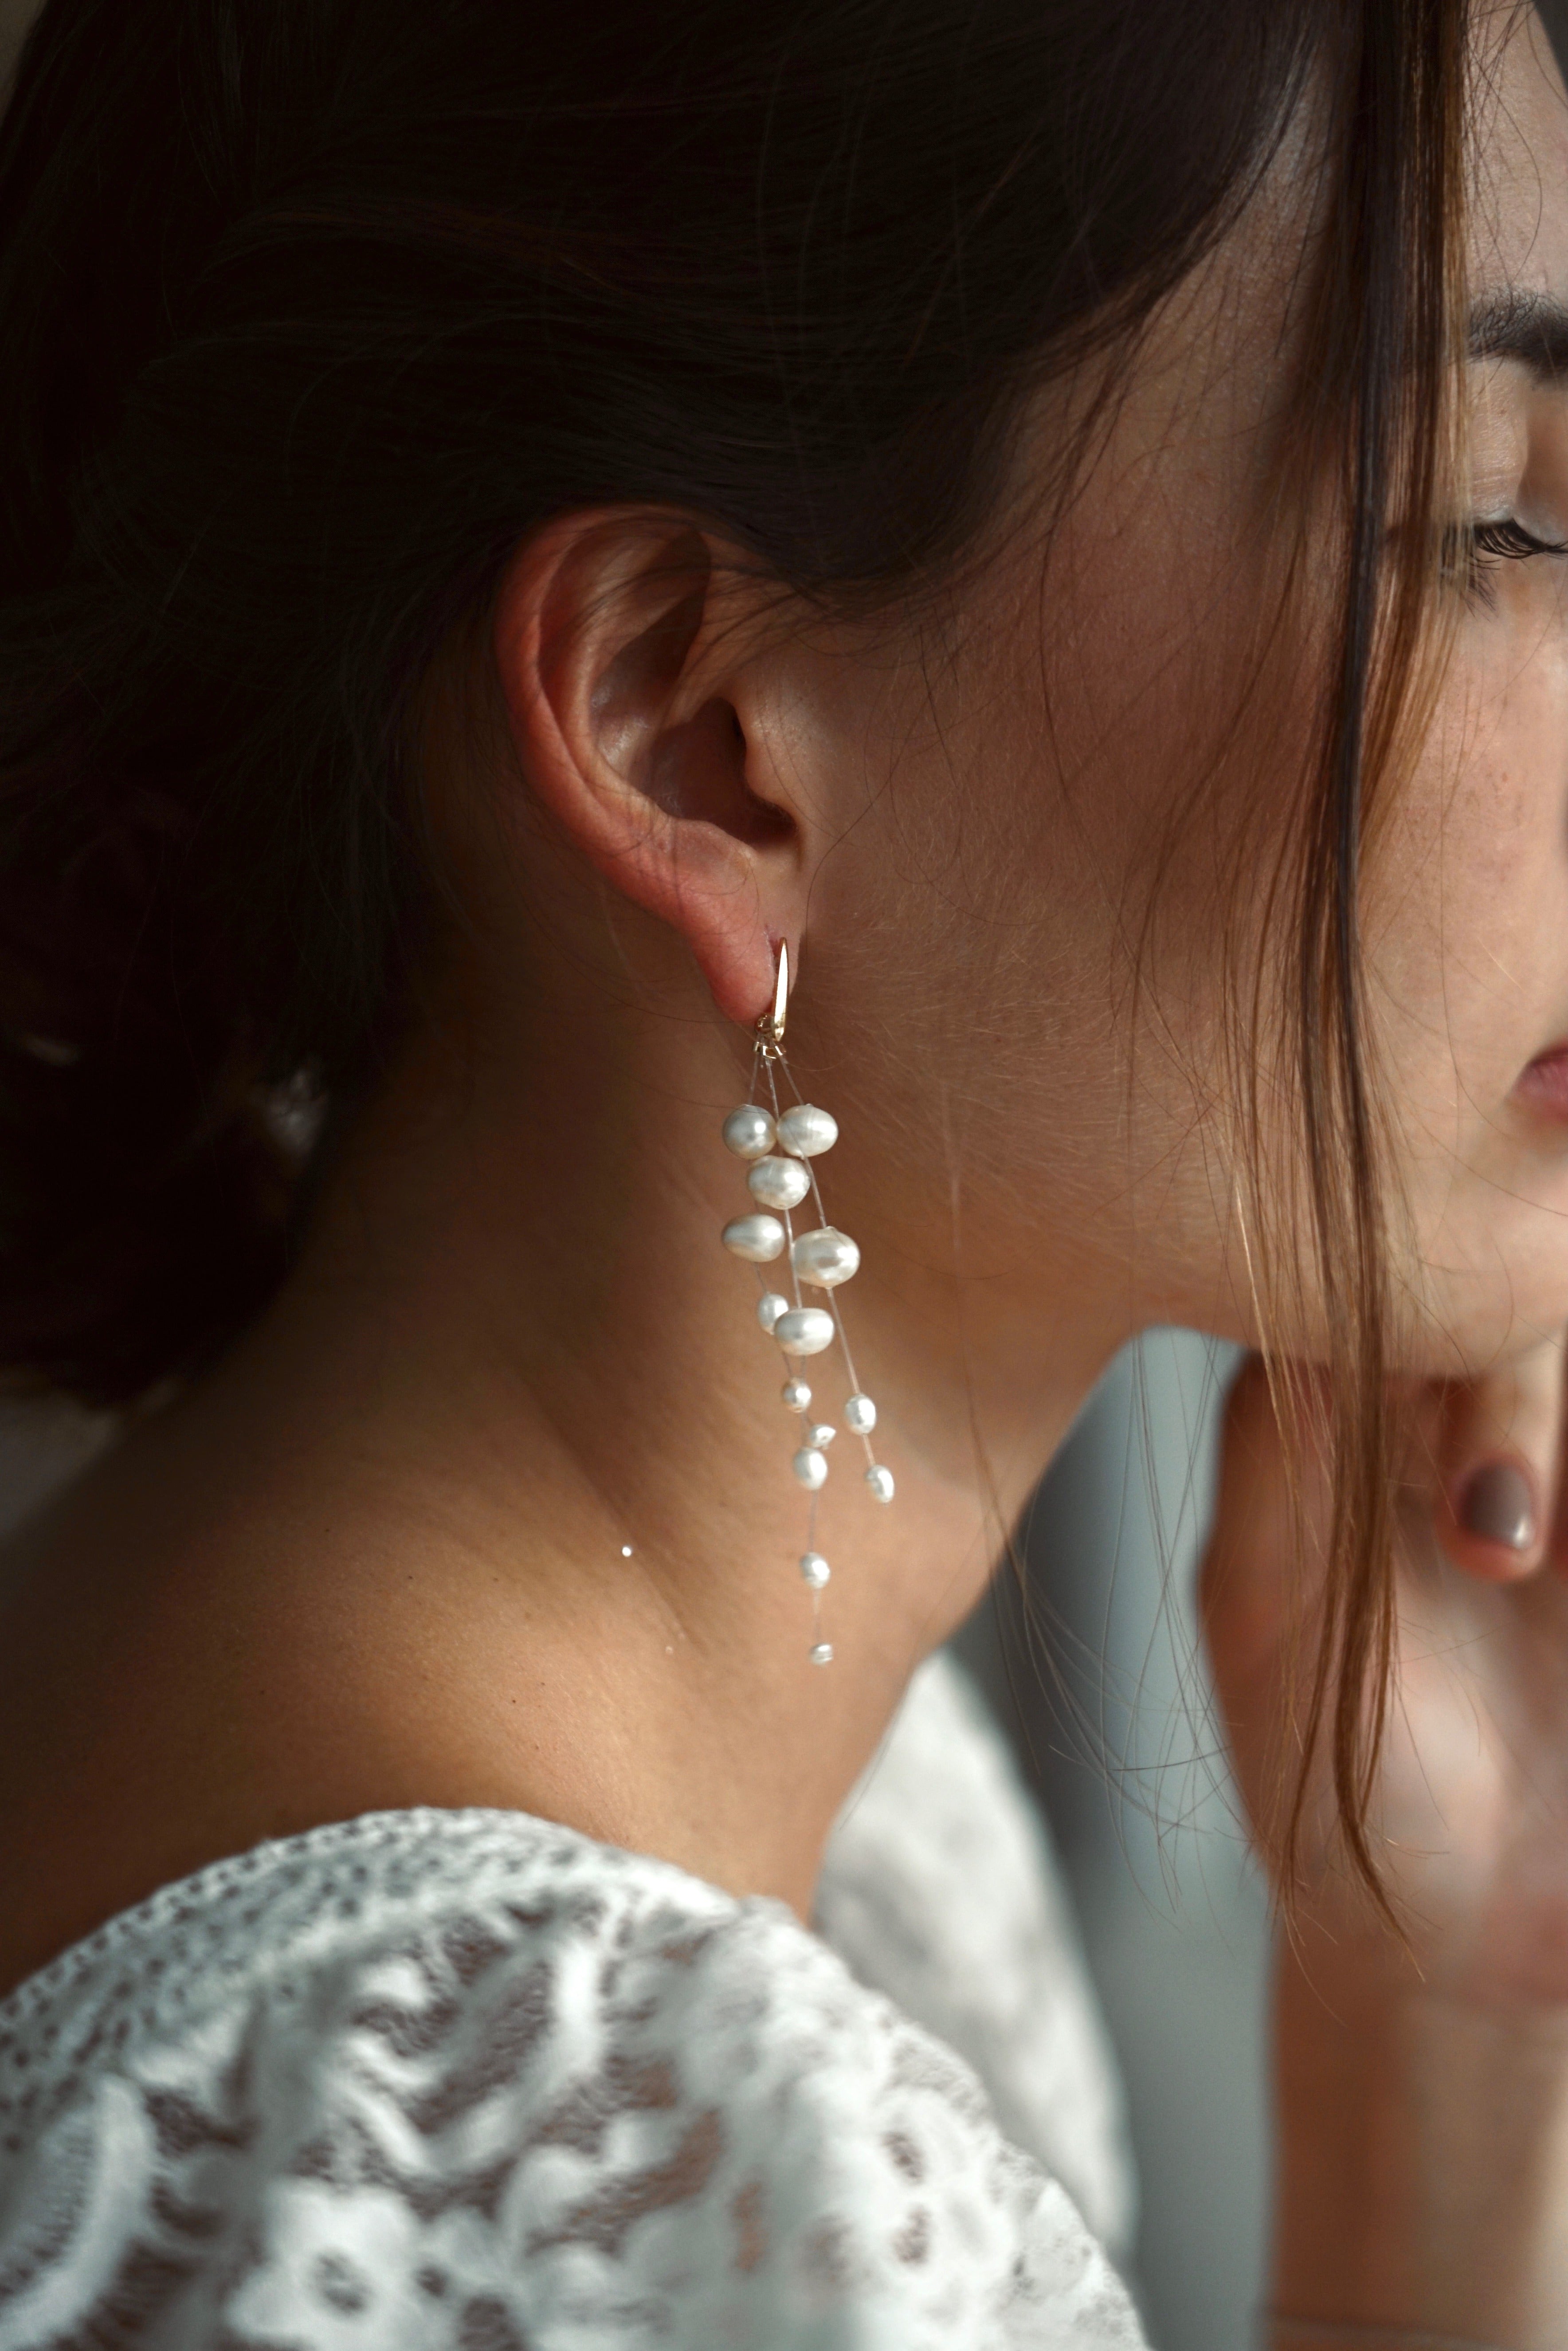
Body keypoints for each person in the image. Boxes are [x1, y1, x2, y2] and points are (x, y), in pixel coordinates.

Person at [0, 0, 1567, 2340]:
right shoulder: (608, 2162)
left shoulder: (362, 1688)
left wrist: (1440, 2044)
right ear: (697, 737)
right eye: (1512, 511)